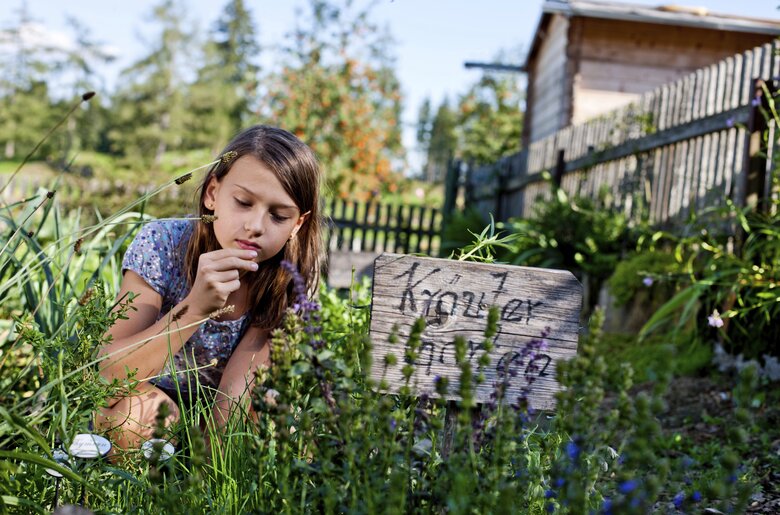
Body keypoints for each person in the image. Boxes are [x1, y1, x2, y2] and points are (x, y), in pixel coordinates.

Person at [96, 125, 322, 452]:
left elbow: (234, 399)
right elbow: (105, 377)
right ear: (212, 193)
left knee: (273, 416)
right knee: (143, 415)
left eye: (277, 215)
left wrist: (205, 472)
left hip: (213, 414)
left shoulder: (289, 279)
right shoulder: (162, 245)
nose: (255, 226)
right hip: (136, 398)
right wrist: (196, 309)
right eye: (243, 202)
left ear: (297, 224)